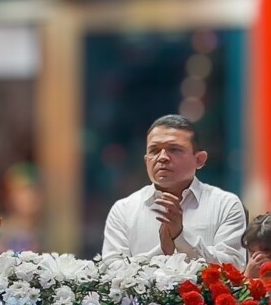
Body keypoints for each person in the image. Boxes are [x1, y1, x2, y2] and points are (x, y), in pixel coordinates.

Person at [102, 115, 245, 267]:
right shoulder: (124, 210)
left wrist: (181, 236)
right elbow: (111, 269)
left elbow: (234, 267)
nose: (162, 157)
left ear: (199, 160)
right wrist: (164, 252)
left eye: (174, 149)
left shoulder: (225, 205)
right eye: (154, 150)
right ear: (146, 160)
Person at [243, 213, 271, 279]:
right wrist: (247, 277)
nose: (257, 258)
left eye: (266, 250)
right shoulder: (250, 272)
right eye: (253, 253)